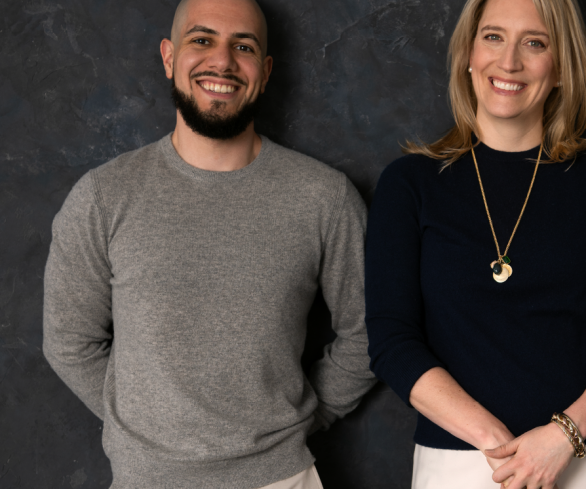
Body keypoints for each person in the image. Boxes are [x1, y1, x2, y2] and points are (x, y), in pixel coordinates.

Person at [42, 0, 376, 487]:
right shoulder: (103, 197)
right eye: (202, 40)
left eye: (243, 46)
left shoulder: (323, 197)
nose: (222, 61)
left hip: (281, 478)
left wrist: (297, 419)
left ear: (263, 71)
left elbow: (370, 333)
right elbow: (69, 340)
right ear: (168, 56)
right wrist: (144, 430)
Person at [364, 0, 586, 487]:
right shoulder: (411, 184)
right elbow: (392, 341)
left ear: (562, 67)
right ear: (467, 52)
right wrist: (496, 443)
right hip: (464, 460)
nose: (509, 61)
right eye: (492, 37)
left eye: (535, 42)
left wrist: (562, 436)